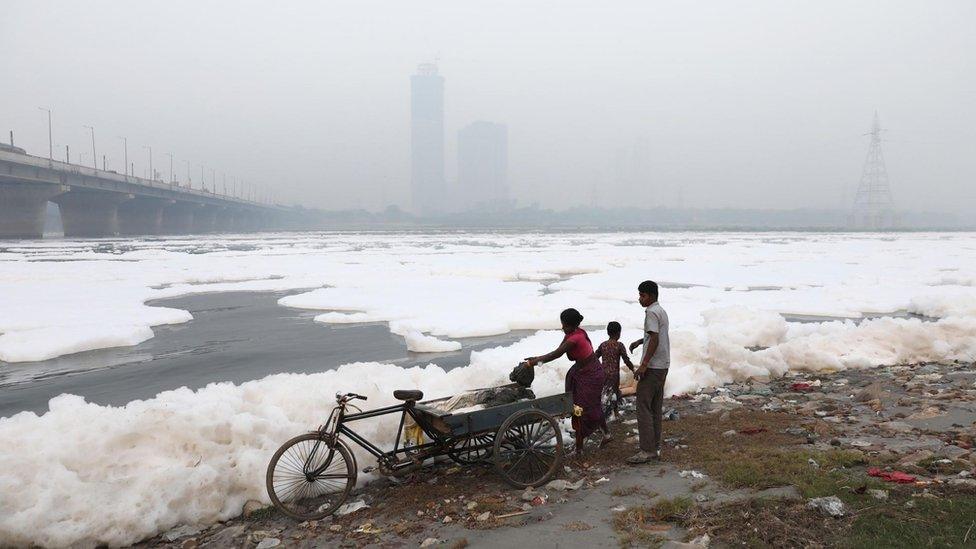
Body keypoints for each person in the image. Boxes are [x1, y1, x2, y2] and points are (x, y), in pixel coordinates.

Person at [523, 308, 610, 457]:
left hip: (591, 376)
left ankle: (579, 449)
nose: (562, 327)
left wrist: (534, 363)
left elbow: (556, 354)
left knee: (580, 410)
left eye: (564, 324)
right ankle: (607, 434)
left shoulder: (575, 338)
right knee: (588, 406)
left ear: (570, 325)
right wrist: (536, 358)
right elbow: (557, 350)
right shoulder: (576, 332)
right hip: (584, 373)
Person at [626, 280, 670, 464]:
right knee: (655, 407)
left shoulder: (651, 312)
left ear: (650, 296)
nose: (639, 299)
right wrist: (639, 341)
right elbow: (652, 335)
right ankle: (655, 445)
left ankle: (647, 450)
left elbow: (655, 340)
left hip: (652, 367)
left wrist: (643, 364)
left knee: (643, 406)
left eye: (642, 295)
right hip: (663, 365)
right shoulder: (661, 310)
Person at [595, 321, 635, 419]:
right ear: (619, 333)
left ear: (608, 332)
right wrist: (633, 369)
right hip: (614, 375)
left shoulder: (603, 345)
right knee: (611, 394)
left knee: (607, 393)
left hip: (603, 373)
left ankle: (615, 413)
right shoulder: (619, 345)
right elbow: (626, 360)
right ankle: (604, 417)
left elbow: (594, 357)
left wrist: (600, 367)